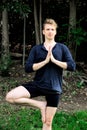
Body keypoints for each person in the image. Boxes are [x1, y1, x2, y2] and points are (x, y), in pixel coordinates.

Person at [6, 18, 76, 130]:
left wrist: (54, 60)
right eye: (47, 29)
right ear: (43, 31)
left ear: (55, 32)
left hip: (54, 88)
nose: (50, 31)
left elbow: (72, 66)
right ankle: (41, 105)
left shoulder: (62, 48)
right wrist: (44, 62)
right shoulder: (36, 49)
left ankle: (44, 108)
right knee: (10, 97)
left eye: (52, 29)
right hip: (38, 84)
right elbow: (28, 68)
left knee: (47, 123)